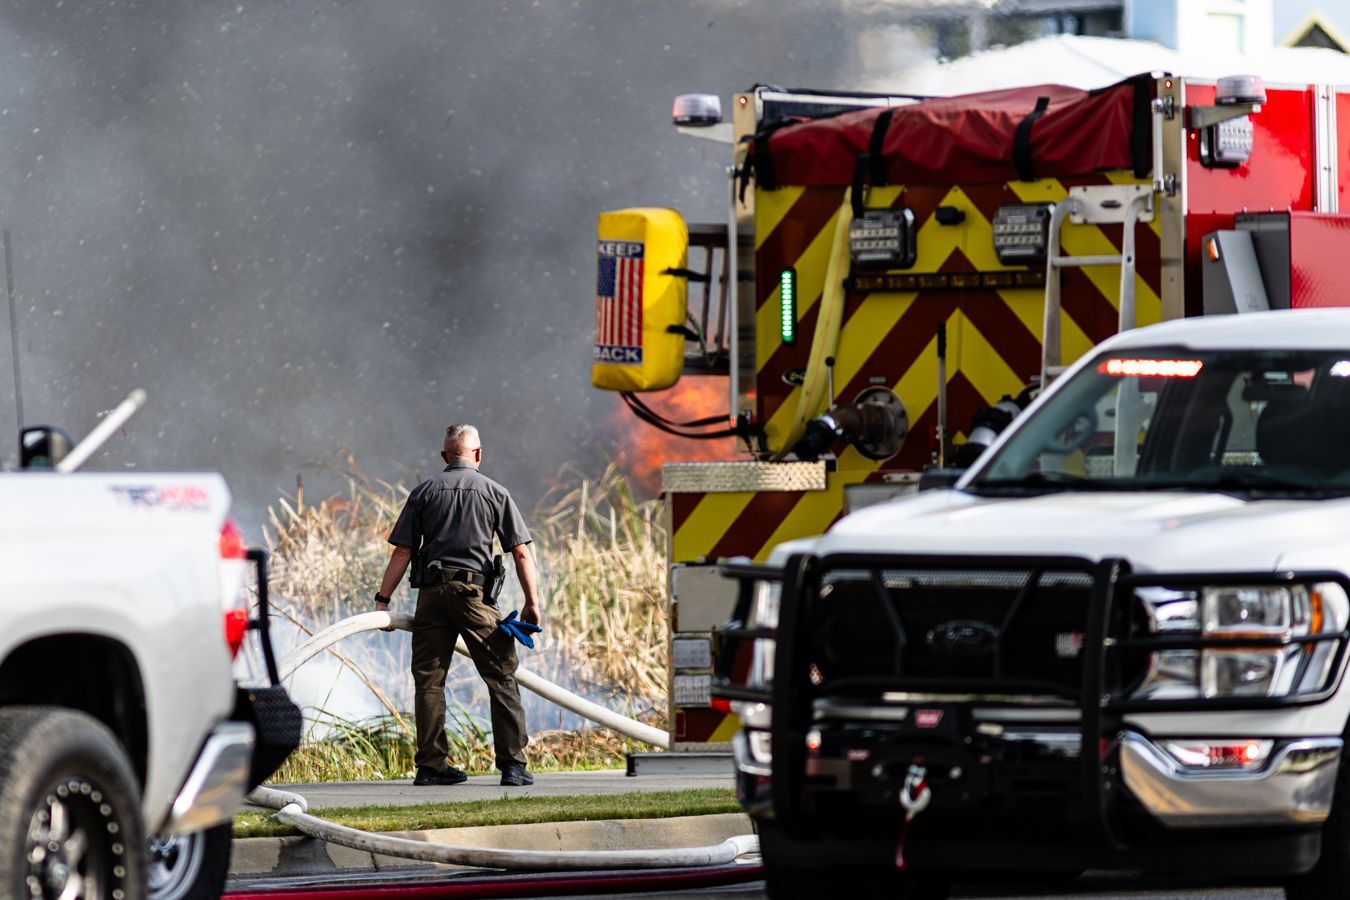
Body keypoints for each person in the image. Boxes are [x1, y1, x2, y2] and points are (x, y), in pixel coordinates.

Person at [374, 424, 541, 786]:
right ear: (478, 455)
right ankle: (513, 765)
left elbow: (403, 551)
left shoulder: (424, 492)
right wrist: (532, 602)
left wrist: (382, 601)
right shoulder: (495, 492)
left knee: (430, 682)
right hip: (474, 597)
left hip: (431, 598)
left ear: (444, 456)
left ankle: (431, 767)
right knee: (501, 676)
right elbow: (521, 552)